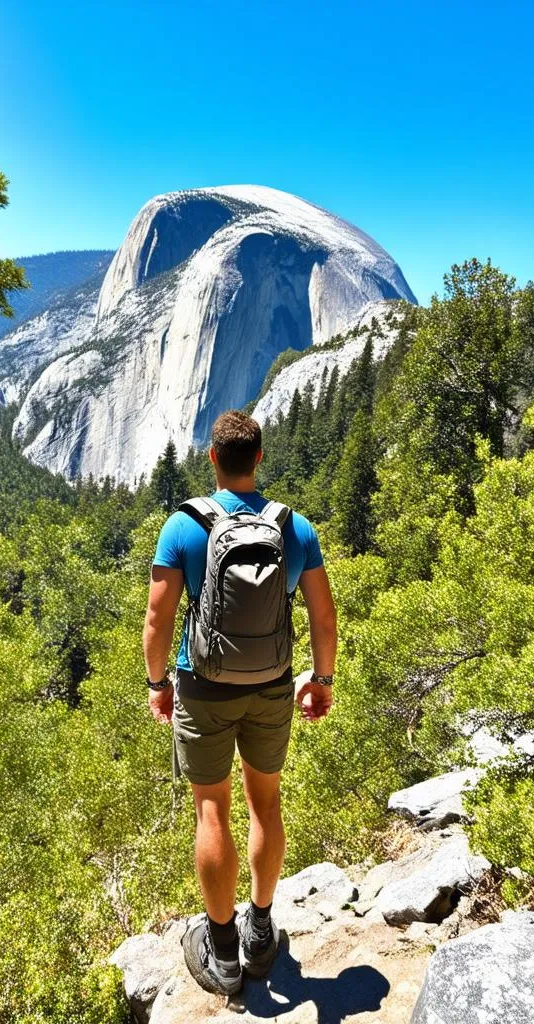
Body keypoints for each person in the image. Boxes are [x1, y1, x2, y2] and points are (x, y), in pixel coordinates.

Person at [143, 410, 337, 996]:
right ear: (258, 459)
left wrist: (159, 685)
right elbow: (323, 615)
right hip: (273, 687)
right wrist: (321, 679)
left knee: (212, 811)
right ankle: (260, 928)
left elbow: (158, 618)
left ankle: (222, 949)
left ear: (212, 460)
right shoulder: (295, 528)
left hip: (203, 688)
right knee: (265, 804)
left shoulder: (184, 527)